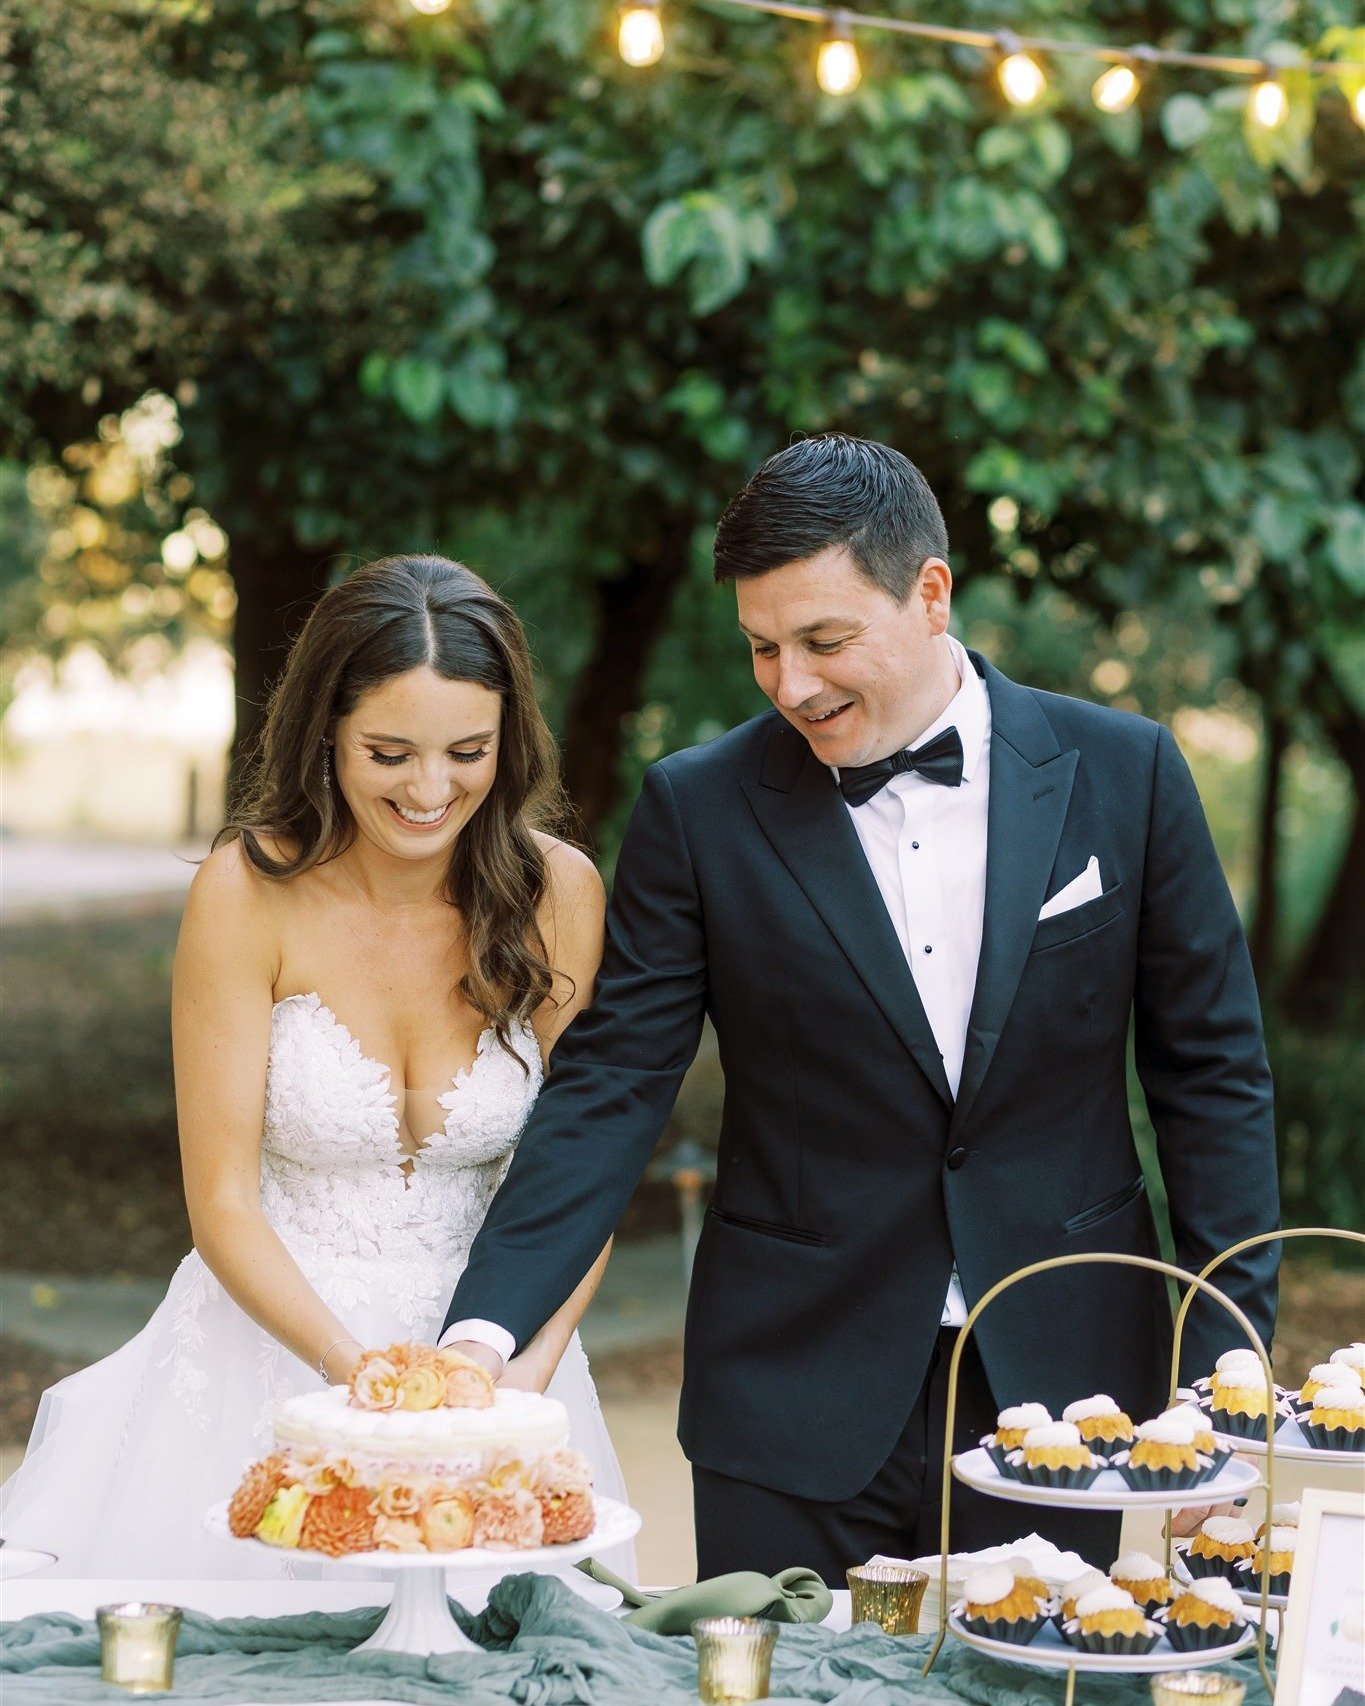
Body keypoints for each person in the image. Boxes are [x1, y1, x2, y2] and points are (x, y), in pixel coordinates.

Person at [440, 437, 1280, 1584]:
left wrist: (1227, 1375)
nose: (791, 682)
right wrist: (482, 1333)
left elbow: (1213, 1076)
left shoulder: (1125, 772)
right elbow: (614, 1079)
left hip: (1066, 1385)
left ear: (930, 592)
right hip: (787, 1392)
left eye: (825, 640)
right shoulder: (700, 806)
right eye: (762, 647)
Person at [0, 555, 631, 1578]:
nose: (431, 790)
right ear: (325, 731)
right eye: (389, 751)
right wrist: (362, 1390)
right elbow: (221, 1202)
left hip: (506, 1364)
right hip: (275, 1361)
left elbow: (584, 1167)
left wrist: (526, 1377)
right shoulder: (245, 891)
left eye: (467, 751)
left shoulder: (560, 892)